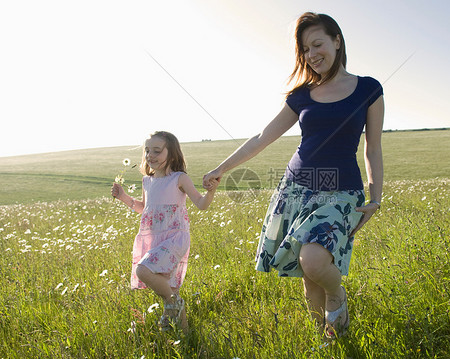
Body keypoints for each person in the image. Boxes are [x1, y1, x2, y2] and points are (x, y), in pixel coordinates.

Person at [203, 12, 384, 339]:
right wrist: (221, 169)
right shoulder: (300, 95)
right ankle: (330, 342)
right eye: (305, 49)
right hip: (296, 190)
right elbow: (262, 138)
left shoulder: (368, 89)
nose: (312, 54)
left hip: (341, 191)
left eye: (318, 44)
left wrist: (376, 197)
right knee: (308, 276)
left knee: (314, 261)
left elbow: (372, 148)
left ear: (337, 41)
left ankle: (337, 294)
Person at [112, 131, 218, 332]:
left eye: (157, 151)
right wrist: (124, 197)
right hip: (155, 239)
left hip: (175, 238)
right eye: (147, 150)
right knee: (171, 287)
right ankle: (186, 336)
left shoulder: (179, 178)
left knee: (143, 270)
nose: (150, 155)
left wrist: (211, 191)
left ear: (172, 153)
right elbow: (144, 208)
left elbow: (202, 204)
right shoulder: (147, 181)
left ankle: (171, 304)